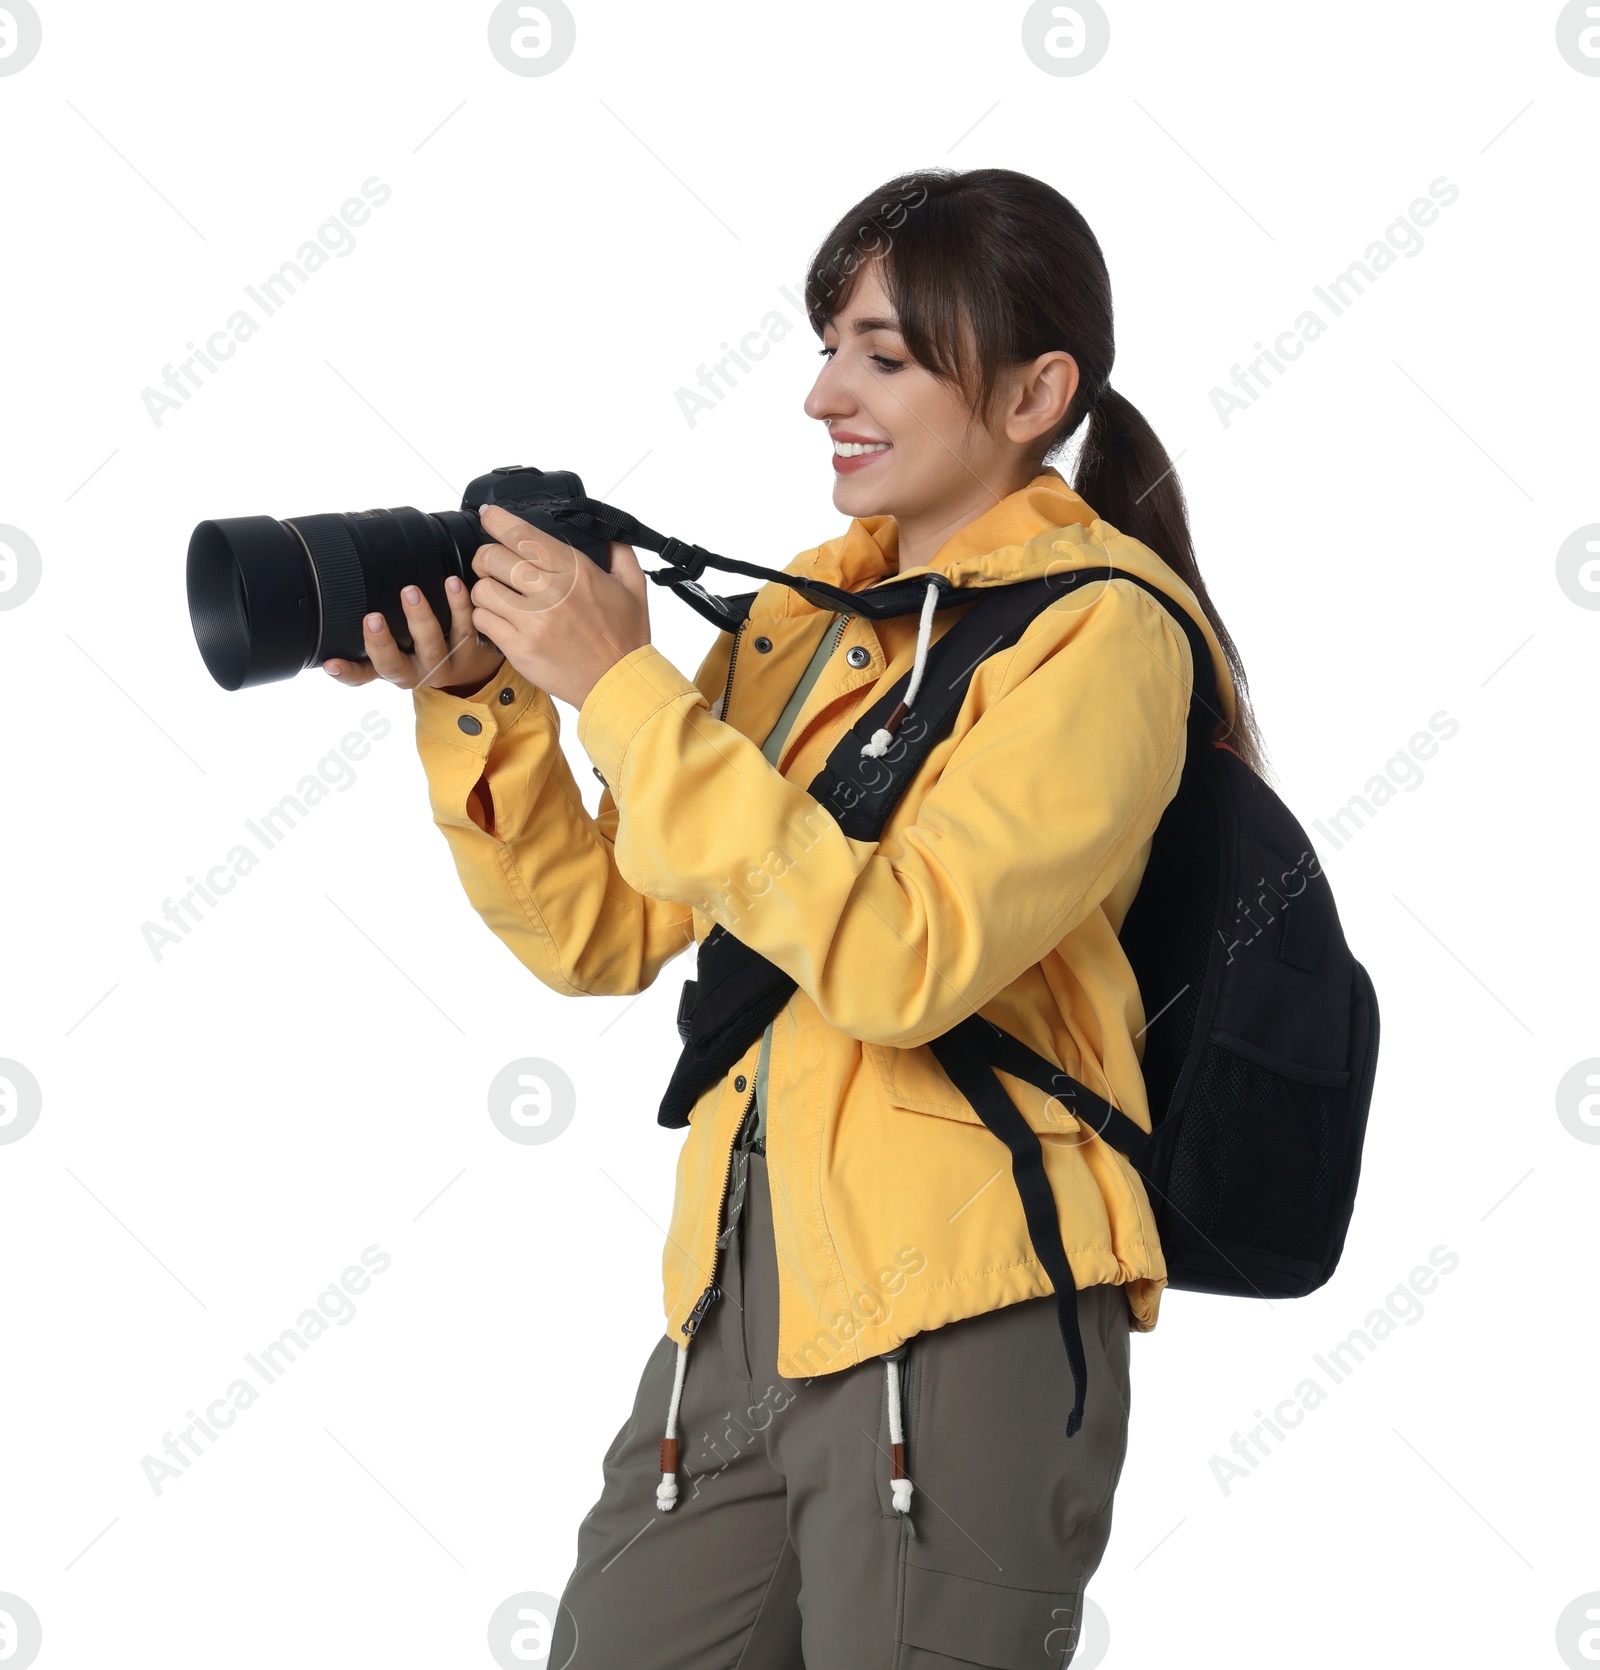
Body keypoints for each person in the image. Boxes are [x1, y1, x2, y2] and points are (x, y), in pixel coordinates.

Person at [324, 166, 1266, 1669]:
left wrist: (623, 684)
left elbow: (904, 957)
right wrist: (488, 698)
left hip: (964, 1300)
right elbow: (606, 929)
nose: (826, 389)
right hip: (738, 1301)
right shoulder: (806, 621)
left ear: (1037, 390)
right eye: (829, 342)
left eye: (884, 354)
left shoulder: (1105, 629)